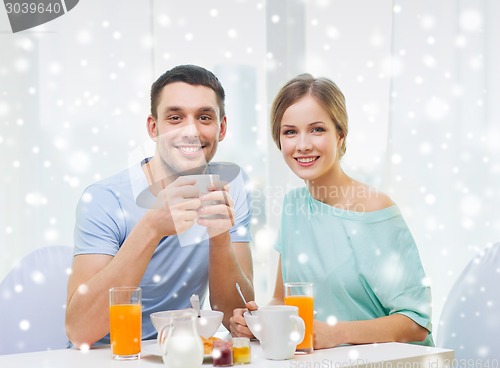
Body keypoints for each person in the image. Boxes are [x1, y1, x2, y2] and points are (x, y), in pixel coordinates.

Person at [229, 73, 433, 349]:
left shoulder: (375, 209)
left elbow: (416, 323)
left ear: (340, 134)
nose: (302, 145)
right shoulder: (293, 206)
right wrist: (258, 322)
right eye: (290, 132)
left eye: (317, 129)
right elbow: (282, 299)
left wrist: (334, 334)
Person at [65, 64, 254, 348]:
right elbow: (80, 331)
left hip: (182, 354)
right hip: (107, 358)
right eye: (175, 118)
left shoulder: (229, 187)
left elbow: (235, 318)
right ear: (154, 128)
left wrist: (220, 237)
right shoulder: (105, 199)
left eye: (204, 117)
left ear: (221, 128)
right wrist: (152, 226)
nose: (190, 131)